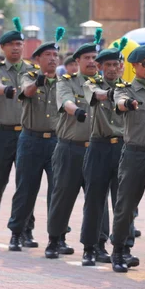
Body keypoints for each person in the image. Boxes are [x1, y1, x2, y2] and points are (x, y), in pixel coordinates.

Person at [6, 28, 64, 251]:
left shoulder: (63, 82)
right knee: (26, 189)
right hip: (31, 140)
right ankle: (17, 232)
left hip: (56, 142)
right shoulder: (28, 76)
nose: (52, 59)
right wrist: (39, 82)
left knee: (57, 191)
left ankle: (57, 237)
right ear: (38, 59)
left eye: (55, 55)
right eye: (47, 55)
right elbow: (26, 92)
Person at [0, 17, 35, 246]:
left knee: (26, 184)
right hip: (0, 133)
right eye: (11, 44)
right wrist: (9, 90)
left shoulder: (32, 71)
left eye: (19, 44)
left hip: (26, 133)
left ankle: (24, 230)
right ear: (3, 47)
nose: (16, 47)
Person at [46, 30, 101, 258]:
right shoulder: (66, 82)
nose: (91, 62)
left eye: (94, 58)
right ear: (76, 62)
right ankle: (55, 239)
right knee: (63, 195)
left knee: (96, 200)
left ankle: (96, 244)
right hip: (70, 147)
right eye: (86, 58)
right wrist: (76, 110)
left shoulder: (104, 85)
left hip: (97, 150)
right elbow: (66, 102)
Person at [109, 34, 145, 273]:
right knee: (126, 206)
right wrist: (127, 104)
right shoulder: (125, 89)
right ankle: (119, 249)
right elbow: (118, 102)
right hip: (134, 155)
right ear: (134, 66)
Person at [78, 39, 127, 266]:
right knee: (95, 199)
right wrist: (109, 95)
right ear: (100, 67)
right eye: (107, 64)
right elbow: (96, 94)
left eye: (116, 64)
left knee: (123, 201)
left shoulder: (128, 88)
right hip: (99, 146)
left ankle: (122, 247)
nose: (112, 68)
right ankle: (91, 247)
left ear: (121, 66)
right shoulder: (90, 84)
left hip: (123, 148)